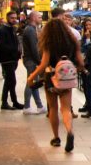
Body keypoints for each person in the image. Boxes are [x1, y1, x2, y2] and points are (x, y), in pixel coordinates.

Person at [26, 15, 85, 151]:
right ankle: (69, 131)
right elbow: (80, 62)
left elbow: (44, 63)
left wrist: (31, 77)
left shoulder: (49, 42)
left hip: (51, 77)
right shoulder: (72, 41)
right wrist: (75, 69)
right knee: (65, 108)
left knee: (53, 108)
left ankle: (56, 138)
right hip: (66, 78)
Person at [0, 10, 24, 110]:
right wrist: (14, 51)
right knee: (10, 80)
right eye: (12, 18)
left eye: (15, 18)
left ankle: (12, 101)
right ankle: (6, 102)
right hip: (7, 59)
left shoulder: (12, 29)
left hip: (13, 59)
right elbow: (2, 46)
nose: (14, 20)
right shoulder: (2, 30)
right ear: (7, 18)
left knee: (10, 81)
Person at [20, 11, 45, 115]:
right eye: (39, 17)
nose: (41, 18)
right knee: (30, 82)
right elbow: (34, 48)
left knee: (33, 82)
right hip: (31, 60)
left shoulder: (31, 29)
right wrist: (39, 61)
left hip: (30, 59)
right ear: (34, 18)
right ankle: (27, 106)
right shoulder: (30, 30)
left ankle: (39, 106)